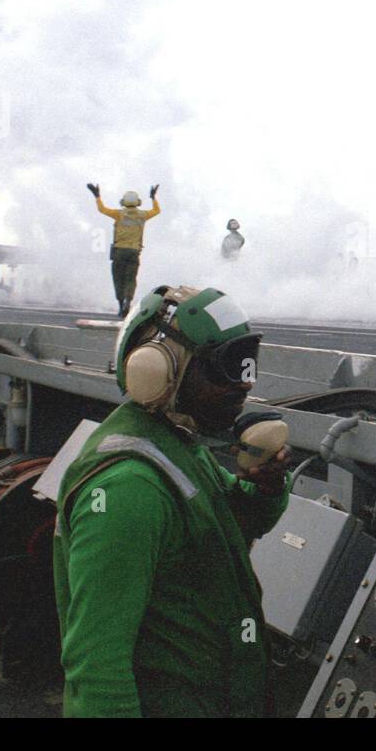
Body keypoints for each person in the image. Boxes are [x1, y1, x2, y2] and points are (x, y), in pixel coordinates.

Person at [53, 285, 290, 717]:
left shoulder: (177, 445)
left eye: (247, 363)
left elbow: (227, 526)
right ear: (159, 372)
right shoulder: (129, 491)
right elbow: (97, 669)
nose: (245, 383)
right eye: (225, 368)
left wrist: (267, 488)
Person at [89, 182, 161, 318]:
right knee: (130, 279)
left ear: (124, 202)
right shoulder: (143, 215)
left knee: (118, 278)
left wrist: (97, 196)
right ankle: (128, 300)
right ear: (138, 202)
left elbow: (102, 210)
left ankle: (121, 304)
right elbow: (157, 211)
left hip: (119, 251)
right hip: (134, 252)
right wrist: (153, 198)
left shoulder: (119, 214)